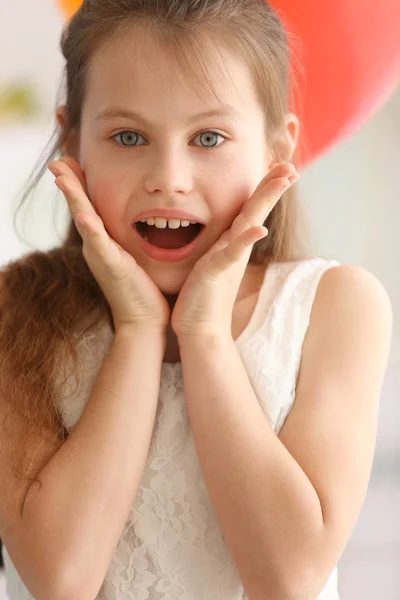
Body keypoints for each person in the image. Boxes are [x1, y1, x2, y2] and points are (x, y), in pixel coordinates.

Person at [0, 1, 393, 598]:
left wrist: (205, 333)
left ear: (275, 149)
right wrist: (136, 329)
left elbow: (287, 580)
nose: (169, 176)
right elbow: (61, 579)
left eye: (208, 137)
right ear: (72, 140)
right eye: (128, 136)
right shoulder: (15, 307)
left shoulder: (336, 306)